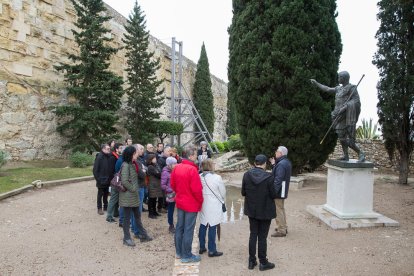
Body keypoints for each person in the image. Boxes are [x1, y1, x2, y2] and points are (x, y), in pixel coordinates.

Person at [310, 71, 365, 162]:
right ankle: (346, 156)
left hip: (346, 116)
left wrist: (346, 106)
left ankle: (360, 153)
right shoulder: (338, 88)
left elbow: (356, 101)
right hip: (337, 115)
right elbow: (327, 89)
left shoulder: (352, 88)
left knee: (349, 140)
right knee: (341, 137)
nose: (338, 78)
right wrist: (316, 83)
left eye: (340, 77)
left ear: (344, 78)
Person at [242, 154, 277, 271]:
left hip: (252, 209)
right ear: (264, 163)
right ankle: (263, 262)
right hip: (265, 210)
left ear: (255, 163)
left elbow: (243, 192)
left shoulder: (246, 175)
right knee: (262, 237)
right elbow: (274, 194)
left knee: (253, 235)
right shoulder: (269, 177)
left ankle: (252, 261)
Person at [171, 147, 204, 263]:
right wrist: (200, 202)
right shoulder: (192, 170)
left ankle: (179, 252)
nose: (196, 157)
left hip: (180, 201)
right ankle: (186, 255)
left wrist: (179, 193)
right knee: (188, 229)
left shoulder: (177, 167)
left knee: (180, 227)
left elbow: (173, 185)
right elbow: (197, 190)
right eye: (195, 155)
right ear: (190, 156)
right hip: (191, 204)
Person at [119, 146, 152, 246]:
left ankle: (142, 234)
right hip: (128, 196)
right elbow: (124, 181)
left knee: (137, 216)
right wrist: (133, 188)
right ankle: (126, 238)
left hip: (134, 195)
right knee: (127, 218)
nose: (136, 154)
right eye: (135, 153)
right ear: (130, 154)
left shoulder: (132, 164)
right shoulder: (125, 165)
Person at [198, 159, 225, 257]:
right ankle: (212, 250)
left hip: (203, 203)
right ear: (210, 166)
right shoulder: (217, 177)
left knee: (203, 224)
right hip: (214, 204)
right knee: (213, 225)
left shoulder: (199, 176)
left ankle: (201, 247)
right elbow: (222, 192)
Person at [270, 146, 292, 238]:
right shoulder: (284, 162)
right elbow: (279, 174)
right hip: (282, 189)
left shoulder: (281, 164)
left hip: (279, 190)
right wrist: (274, 165)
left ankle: (281, 230)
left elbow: (278, 179)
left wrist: (273, 191)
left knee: (278, 209)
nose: (275, 153)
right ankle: (283, 226)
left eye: (277, 151)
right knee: (281, 208)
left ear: (281, 153)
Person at [93, 144, 112, 215]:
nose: (109, 150)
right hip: (101, 180)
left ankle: (106, 206)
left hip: (107, 179)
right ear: (103, 149)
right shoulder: (99, 157)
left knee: (106, 194)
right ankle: (99, 208)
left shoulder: (108, 156)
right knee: (100, 194)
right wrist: (98, 180)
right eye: (107, 149)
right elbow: (95, 170)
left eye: (109, 149)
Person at [106, 143, 123, 222]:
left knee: (116, 198)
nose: (121, 149)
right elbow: (113, 171)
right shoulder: (114, 158)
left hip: (116, 180)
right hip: (115, 181)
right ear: (116, 149)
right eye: (120, 148)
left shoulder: (118, 158)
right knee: (113, 198)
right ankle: (109, 216)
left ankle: (115, 213)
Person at [161, 157, 178, 233]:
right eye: (174, 163)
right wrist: (171, 190)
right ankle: (171, 225)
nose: (176, 164)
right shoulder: (165, 172)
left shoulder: (175, 170)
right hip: (171, 194)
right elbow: (163, 185)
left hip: (177, 193)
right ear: (169, 164)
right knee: (171, 210)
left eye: (176, 163)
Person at [146, 153, 163, 219]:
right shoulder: (150, 167)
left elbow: (159, 172)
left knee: (154, 198)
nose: (155, 159)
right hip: (152, 185)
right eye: (154, 158)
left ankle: (154, 211)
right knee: (151, 199)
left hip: (156, 185)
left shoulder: (155, 165)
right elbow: (158, 174)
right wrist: (160, 174)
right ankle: (150, 213)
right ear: (151, 159)